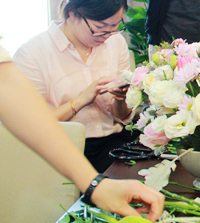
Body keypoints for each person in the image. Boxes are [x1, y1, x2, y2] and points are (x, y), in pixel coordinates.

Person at [0, 44, 164, 221]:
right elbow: (17, 100)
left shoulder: (115, 44)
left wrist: (95, 185)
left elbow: (7, 85)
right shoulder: (33, 51)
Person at [14, 0, 138, 172]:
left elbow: (121, 117)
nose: (107, 35)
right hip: (64, 148)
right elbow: (29, 125)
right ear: (72, 13)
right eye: (100, 27)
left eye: (115, 26)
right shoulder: (33, 53)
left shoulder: (115, 42)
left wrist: (120, 99)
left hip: (114, 142)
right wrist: (80, 101)